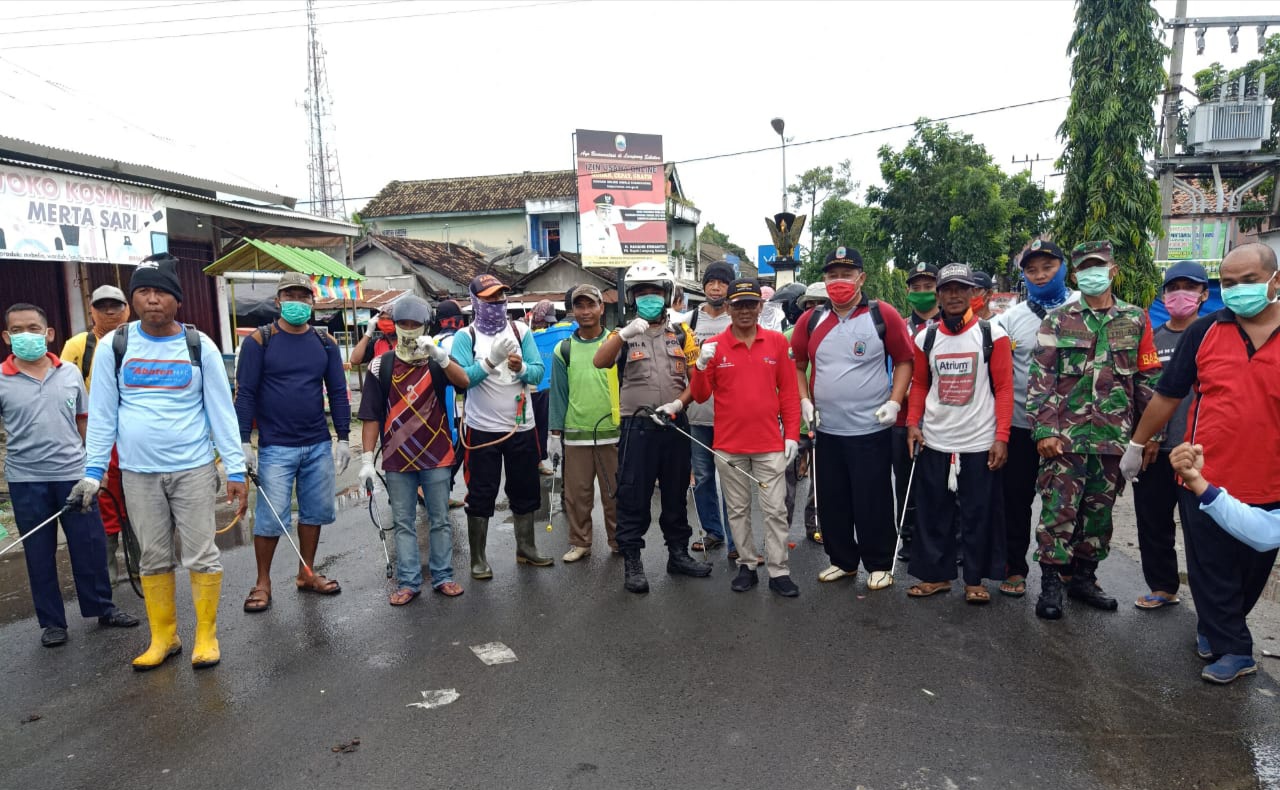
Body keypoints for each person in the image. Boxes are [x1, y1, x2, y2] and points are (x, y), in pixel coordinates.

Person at [75, 254, 248, 670]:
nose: (152, 300)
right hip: (138, 473)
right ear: (133, 299)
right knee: (152, 556)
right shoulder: (115, 346)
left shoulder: (198, 345)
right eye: (143, 292)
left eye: (161, 293)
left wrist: (236, 469)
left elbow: (221, 410)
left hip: (192, 468)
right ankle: (163, 637)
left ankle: (205, 636)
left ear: (177, 301)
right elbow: (102, 415)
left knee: (201, 553)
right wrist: (93, 472)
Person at [1126, 242, 1280, 684]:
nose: (1237, 291)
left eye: (1248, 281)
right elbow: (1167, 396)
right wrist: (1137, 445)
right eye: (1228, 283)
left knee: (1253, 571)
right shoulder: (1206, 332)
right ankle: (1235, 647)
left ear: (1275, 281)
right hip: (1201, 476)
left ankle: (1220, 624)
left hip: (1270, 483)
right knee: (1210, 565)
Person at [1027, 240, 1160, 621]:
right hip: (1064, 440)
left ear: (1113, 271)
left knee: (1099, 516)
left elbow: (1148, 379)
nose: (1092, 273)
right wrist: (1045, 431)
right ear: (1076, 274)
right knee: (1057, 512)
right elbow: (1041, 380)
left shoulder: (1135, 320)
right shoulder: (1057, 320)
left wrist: (1149, 435)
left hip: (1113, 440)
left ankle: (1084, 578)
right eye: (1084, 267)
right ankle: (1051, 582)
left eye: (1098, 266)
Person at [1, 303, 138, 647]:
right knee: (38, 552)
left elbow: (85, 423)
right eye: (17, 330)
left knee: (89, 545)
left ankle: (103, 608)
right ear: (6, 337)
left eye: (33, 328)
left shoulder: (70, 374)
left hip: (73, 475)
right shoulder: (1, 378)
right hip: (26, 480)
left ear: (49, 334)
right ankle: (52, 623)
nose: (25, 335)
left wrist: (97, 468)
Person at [791, 246, 914, 590]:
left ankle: (879, 563)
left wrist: (895, 401)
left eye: (846, 274)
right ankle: (842, 560)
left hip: (870, 428)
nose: (839, 281)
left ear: (861, 278)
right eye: (832, 275)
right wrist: (803, 399)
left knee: (871, 498)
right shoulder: (811, 320)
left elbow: (905, 360)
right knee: (833, 500)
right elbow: (797, 365)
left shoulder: (882, 315)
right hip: (827, 429)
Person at [234, 272, 351, 613]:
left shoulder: (325, 343)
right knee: (270, 518)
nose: (297, 302)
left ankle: (307, 571)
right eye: (291, 296)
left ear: (312, 302)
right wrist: (242, 441)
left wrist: (343, 437)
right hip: (275, 446)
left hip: (316, 442)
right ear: (278, 301)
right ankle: (262, 582)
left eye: (303, 296)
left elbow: (339, 392)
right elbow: (247, 395)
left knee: (314, 512)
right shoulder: (260, 341)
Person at [592, 261, 710, 593]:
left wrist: (679, 404)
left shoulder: (682, 334)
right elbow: (600, 361)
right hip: (636, 428)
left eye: (655, 292)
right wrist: (623, 334)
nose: (649, 298)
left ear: (667, 295)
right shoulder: (624, 335)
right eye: (641, 292)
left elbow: (693, 379)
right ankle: (632, 561)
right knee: (633, 496)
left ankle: (678, 554)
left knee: (675, 494)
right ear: (631, 298)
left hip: (674, 424)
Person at [903, 264, 1013, 603]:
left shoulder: (992, 335)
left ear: (973, 295)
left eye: (961, 289)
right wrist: (912, 423)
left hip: (978, 441)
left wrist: (1002, 436)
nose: (953, 295)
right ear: (938, 295)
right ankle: (936, 577)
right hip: (935, 439)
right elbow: (920, 383)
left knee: (978, 513)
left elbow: (1004, 388)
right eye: (947, 289)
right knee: (934, 512)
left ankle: (974, 580)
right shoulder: (927, 337)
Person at [690, 278, 801, 596]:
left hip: (768, 443)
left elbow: (789, 394)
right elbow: (700, 396)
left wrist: (791, 434)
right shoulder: (716, 346)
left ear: (760, 306)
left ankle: (779, 570)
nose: (745, 310)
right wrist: (700, 364)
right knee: (737, 510)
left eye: (751, 304)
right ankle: (748, 565)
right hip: (729, 445)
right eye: (738, 305)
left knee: (775, 510)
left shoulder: (777, 343)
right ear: (727, 307)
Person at [356, 296, 471, 604]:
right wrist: (367, 459)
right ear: (394, 327)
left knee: (440, 519)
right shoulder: (381, 365)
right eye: (402, 324)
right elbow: (371, 414)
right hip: (396, 458)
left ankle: (444, 576)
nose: (408, 330)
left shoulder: (437, 360)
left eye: (414, 324)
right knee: (404, 522)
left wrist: (444, 359)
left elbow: (465, 382)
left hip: (436, 454)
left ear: (426, 326)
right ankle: (408, 582)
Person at [450, 274, 553, 577]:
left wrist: (521, 368)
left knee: (525, 489)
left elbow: (538, 373)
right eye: (489, 298)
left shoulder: (521, 331)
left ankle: (526, 548)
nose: (497, 303)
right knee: (481, 492)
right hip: (482, 430)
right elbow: (462, 380)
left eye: (500, 297)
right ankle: (478, 558)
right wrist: (490, 361)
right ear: (475, 301)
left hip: (521, 427)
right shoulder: (465, 337)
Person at [994, 239, 1078, 597]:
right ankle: (1015, 568)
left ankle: (1070, 571)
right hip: (1021, 426)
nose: (1040, 275)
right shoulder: (1009, 320)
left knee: (1070, 503)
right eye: (1031, 270)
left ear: (1063, 267)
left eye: (1048, 267)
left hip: (1074, 429)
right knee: (1015, 501)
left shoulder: (1083, 308)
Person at [1131, 261, 1209, 611]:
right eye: (1174, 287)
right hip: (1154, 449)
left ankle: (1211, 606)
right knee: (1153, 521)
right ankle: (1163, 586)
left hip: (1199, 451)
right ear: (1164, 294)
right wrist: (1144, 437)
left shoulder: (1213, 336)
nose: (1181, 294)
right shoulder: (1153, 339)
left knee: (1203, 530)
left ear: (1204, 294)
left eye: (1189, 287)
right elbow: (1142, 390)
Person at [60, 284, 131, 585]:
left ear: (127, 308)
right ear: (91, 311)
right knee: (104, 503)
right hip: (99, 435)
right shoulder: (78, 346)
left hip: (134, 435)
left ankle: (142, 571)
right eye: (102, 306)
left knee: (138, 505)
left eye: (116, 305)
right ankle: (107, 579)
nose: (110, 311)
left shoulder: (141, 340)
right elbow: (65, 392)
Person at [548, 285, 619, 561]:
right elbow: (558, 394)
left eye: (591, 305)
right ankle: (580, 542)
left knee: (615, 493)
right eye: (580, 306)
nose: (586, 311)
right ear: (573, 311)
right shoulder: (563, 349)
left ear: (602, 307)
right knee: (577, 496)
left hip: (611, 432)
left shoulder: (615, 342)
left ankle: (617, 539)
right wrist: (555, 433)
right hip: (576, 434)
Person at [685, 260, 735, 556]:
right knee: (702, 478)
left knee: (732, 481)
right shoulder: (689, 321)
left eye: (722, 282)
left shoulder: (737, 319)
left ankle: (735, 538)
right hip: (697, 415)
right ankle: (713, 531)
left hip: (731, 417)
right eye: (711, 282)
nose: (716, 288)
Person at [893, 262, 940, 563]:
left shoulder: (952, 324)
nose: (922, 292)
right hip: (902, 418)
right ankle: (907, 536)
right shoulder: (897, 326)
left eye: (928, 287)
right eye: (916, 287)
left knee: (940, 481)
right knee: (905, 481)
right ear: (908, 290)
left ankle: (943, 537)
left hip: (942, 418)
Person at [784, 283, 824, 544]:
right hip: (791, 420)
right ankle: (781, 530)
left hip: (825, 421)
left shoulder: (837, 335)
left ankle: (816, 526)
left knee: (821, 483)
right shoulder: (788, 335)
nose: (814, 309)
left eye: (820, 304)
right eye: (809, 304)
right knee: (785, 482)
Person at [529, 299, 575, 476]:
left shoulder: (551, 333)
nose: (547, 323)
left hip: (546, 386)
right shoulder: (527, 333)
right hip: (532, 387)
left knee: (541, 425)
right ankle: (536, 461)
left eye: (549, 321)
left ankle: (539, 461)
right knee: (534, 426)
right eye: (544, 320)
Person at [433, 299, 467, 506]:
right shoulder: (455, 341)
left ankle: (440, 492)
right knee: (457, 448)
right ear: (455, 321)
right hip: (451, 403)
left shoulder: (433, 339)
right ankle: (439, 493)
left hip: (436, 405)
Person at [580, 193, 623, 257]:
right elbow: (588, 253)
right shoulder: (589, 229)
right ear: (596, 211)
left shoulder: (612, 229)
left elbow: (618, 251)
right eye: (603, 212)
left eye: (609, 212)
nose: (606, 215)